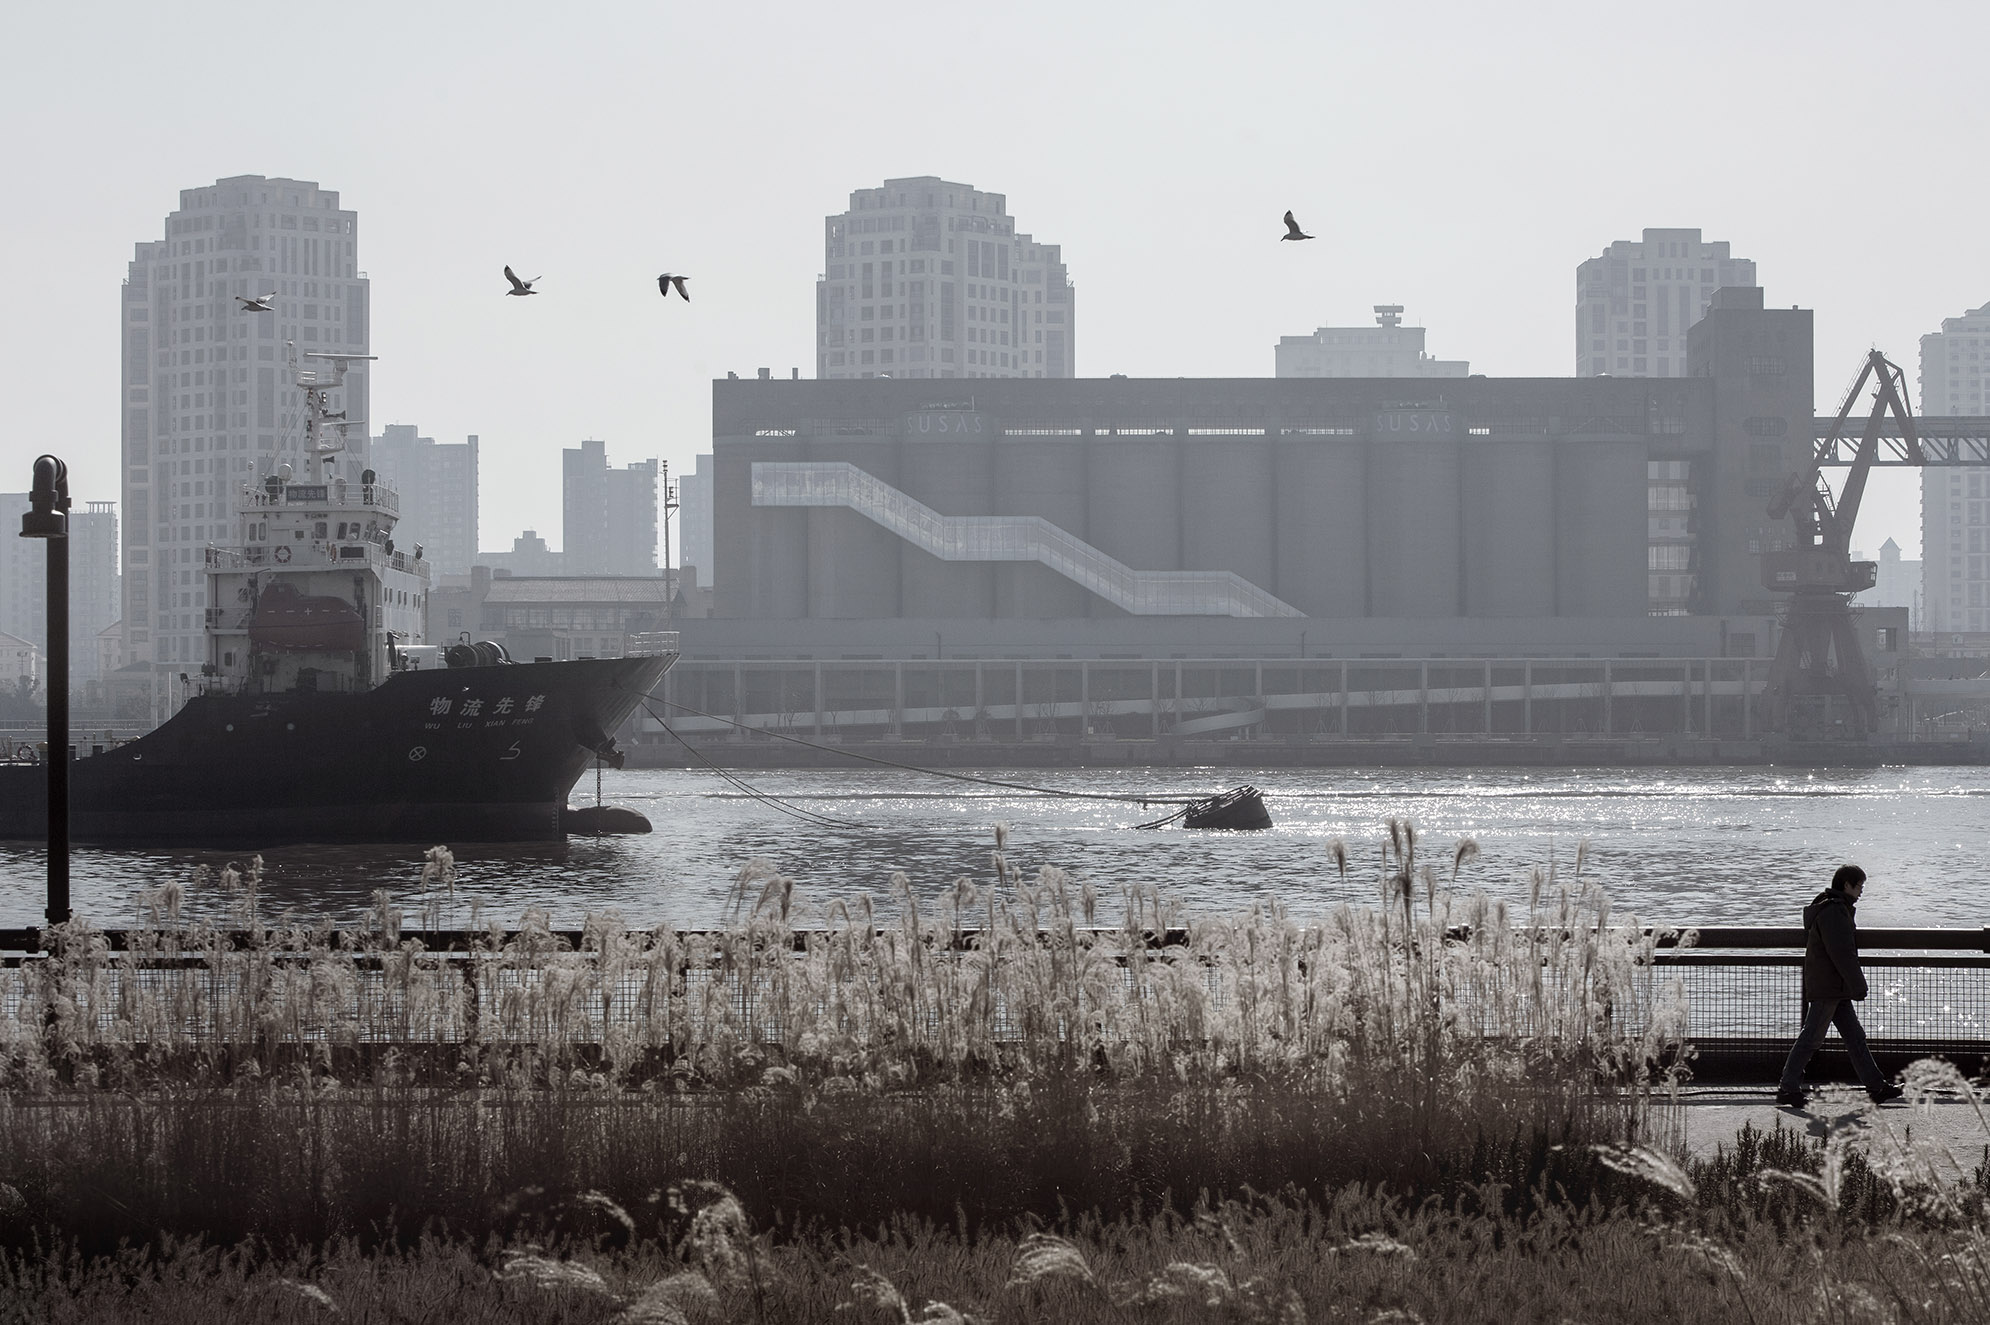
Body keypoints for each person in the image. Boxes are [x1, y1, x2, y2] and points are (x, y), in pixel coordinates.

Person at [1776, 864, 1904, 1109]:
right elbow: (1842, 953)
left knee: (1855, 1038)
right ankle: (1787, 1087)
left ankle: (1876, 1086)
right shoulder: (1835, 912)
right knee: (1812, 1038)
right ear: (1847, 885)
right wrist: (1858, 984)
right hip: (1830, 987)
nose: (1861, 891)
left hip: (1834, 986)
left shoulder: (1830, 907)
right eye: (1859, 886)